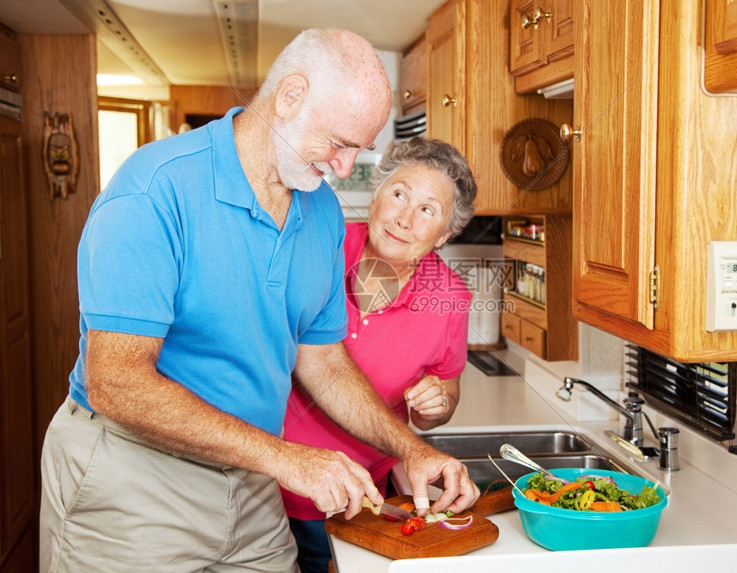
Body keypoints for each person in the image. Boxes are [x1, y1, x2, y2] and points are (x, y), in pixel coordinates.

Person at [39, 28, 479, 573]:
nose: (345, 170)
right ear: (290, 96)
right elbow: (116, 381)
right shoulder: (156, 189)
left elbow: (321, 358)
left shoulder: (319, 213)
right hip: (135, 478)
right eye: (340, 144)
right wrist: (286, 457)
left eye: (358, 151)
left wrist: (411, 448)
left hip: (251, 484)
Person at [281, 137, 477, 572]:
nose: (405, 218)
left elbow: (445, 397)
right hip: (268, 485)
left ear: (444, 234)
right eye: (400, 194)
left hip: (362, 500)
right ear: (376, 196)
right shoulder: (318, 249)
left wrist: (436, 405)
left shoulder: (451, 298)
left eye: (427, 210)